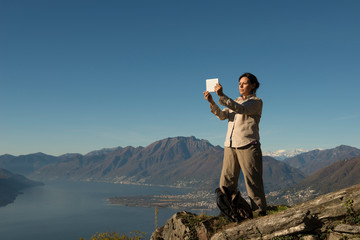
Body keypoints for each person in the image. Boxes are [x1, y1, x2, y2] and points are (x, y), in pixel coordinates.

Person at [203, 72, 267, 216]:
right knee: (226, 182)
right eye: (239, 84)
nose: (241, 86)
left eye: (244, 83)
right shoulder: (235, 101)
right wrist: (212, 102)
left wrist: (222, 96)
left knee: (253, 181)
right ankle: (228, 211)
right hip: (230, 145)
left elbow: (241, 109)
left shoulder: (256, 102)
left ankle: (259, 212)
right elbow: (222, 115)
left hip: (248, 145)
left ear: (253, 85)